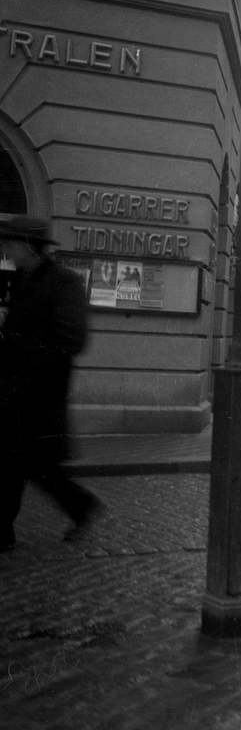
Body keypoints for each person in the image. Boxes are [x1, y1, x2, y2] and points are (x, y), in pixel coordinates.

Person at [0, 217, 103, 551]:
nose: (6, 249)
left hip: (41, 391)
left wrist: (27, 370)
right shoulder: (22, 280)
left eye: (12, 243)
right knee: (20, 462)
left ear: (31, 247)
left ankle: (80, 506)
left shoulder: (64, 282)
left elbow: (71, 338)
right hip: (16, 390)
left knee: (30, 463)